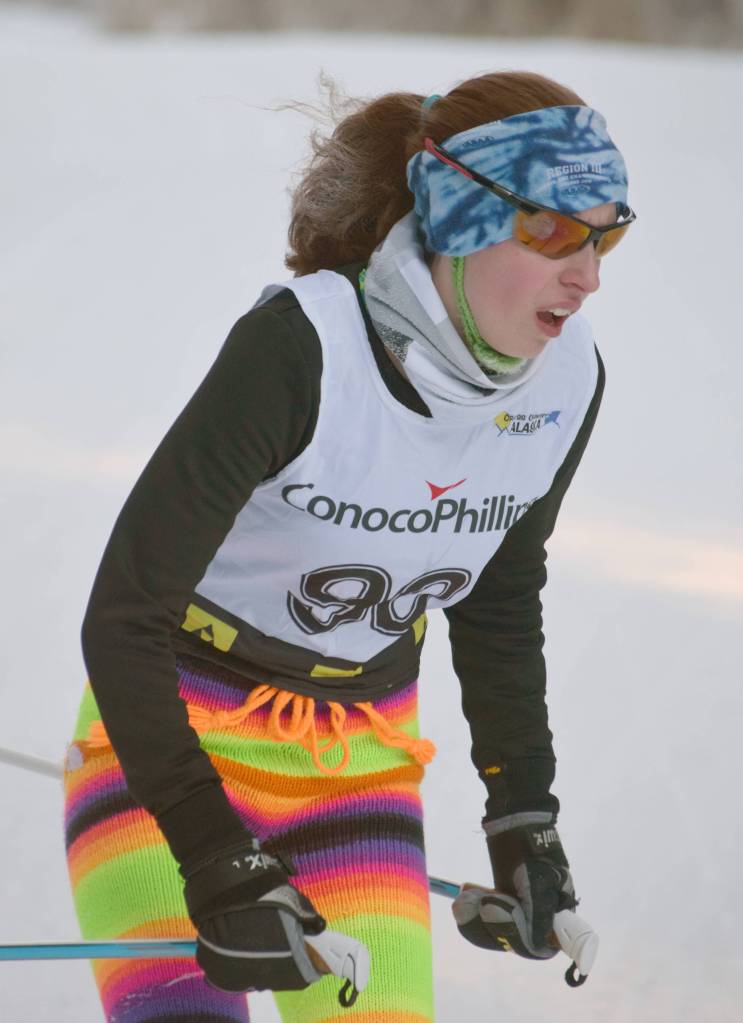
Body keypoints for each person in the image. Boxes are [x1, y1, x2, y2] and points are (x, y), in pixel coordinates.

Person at [63, 69, 634, 1022]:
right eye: (551, 230)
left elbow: (496, 597)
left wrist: (523, 816)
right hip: (172, 741)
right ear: (456, 214)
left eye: (607, 232)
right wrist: (212, 849)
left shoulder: (564, 381)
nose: (587, 273)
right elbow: (125, 617)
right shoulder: (300, 349)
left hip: (356, 762)